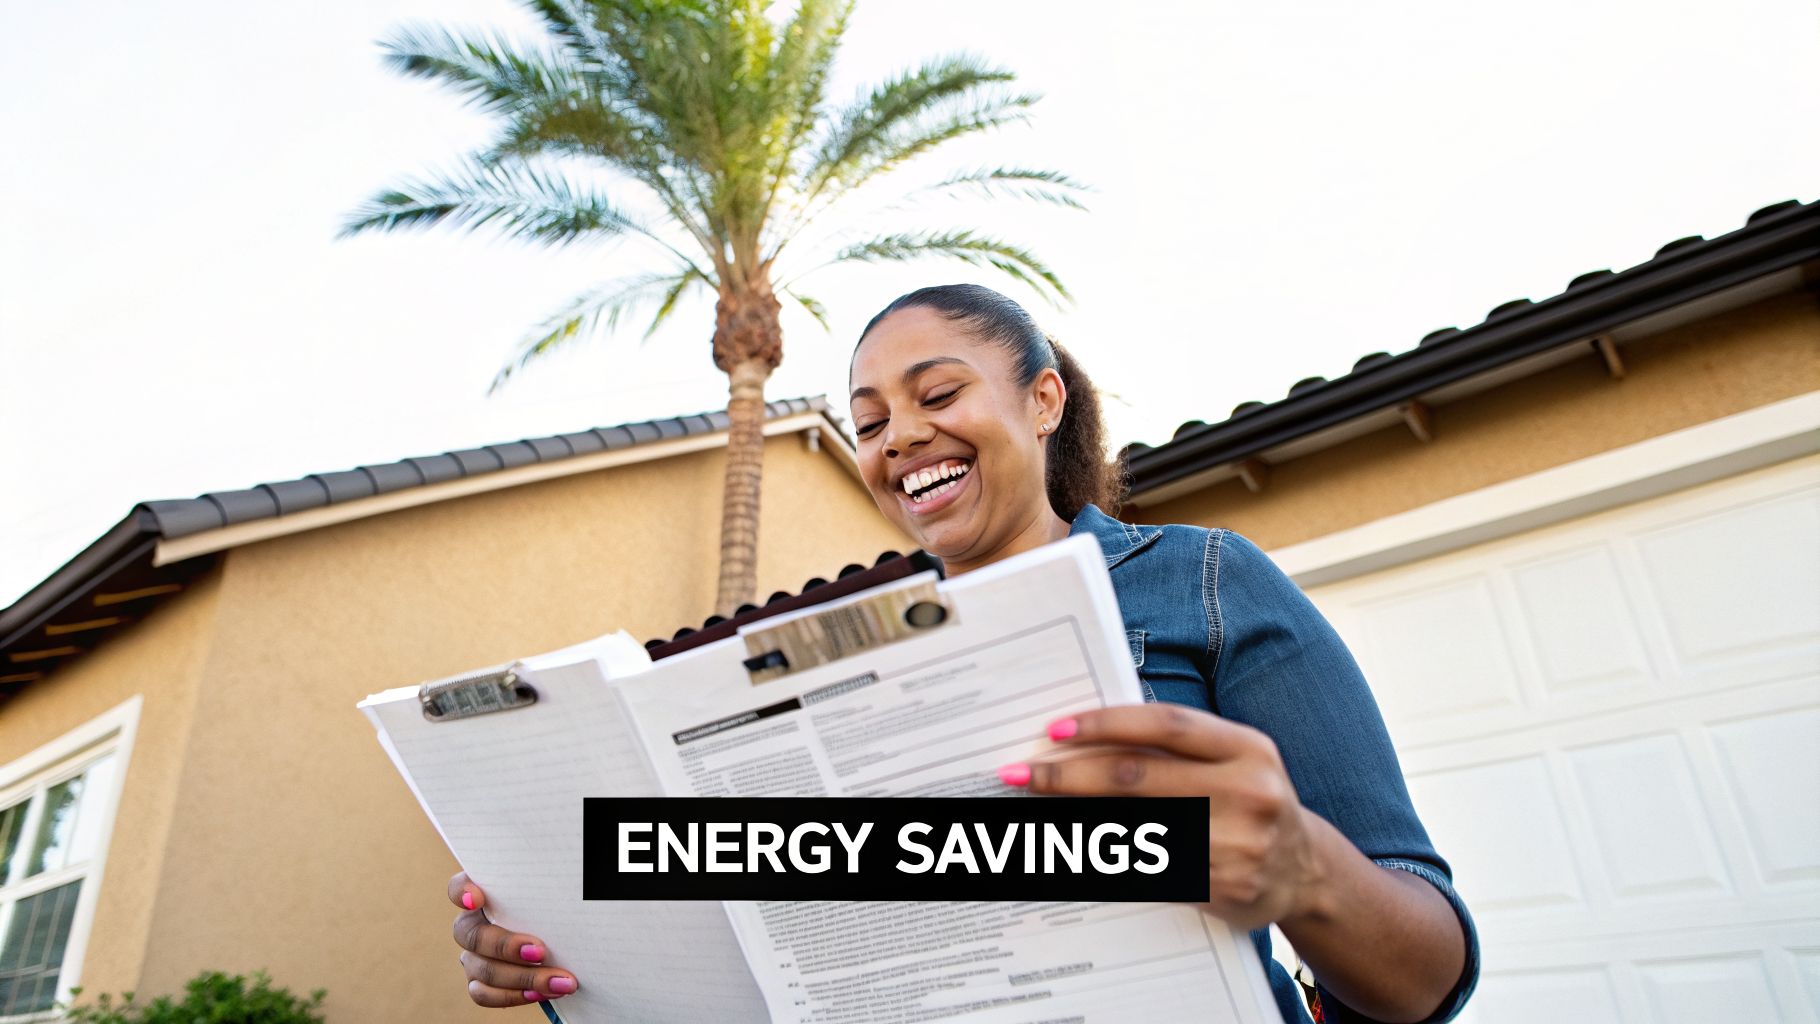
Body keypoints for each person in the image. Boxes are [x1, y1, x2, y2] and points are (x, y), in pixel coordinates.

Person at [447, 284, 1481, 1023]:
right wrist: (571, 946)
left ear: (1042, 401)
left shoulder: (1199, 582)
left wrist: (1306, 873)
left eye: (937, 396)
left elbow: (1427, 974)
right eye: (868, 423)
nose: (898, 437)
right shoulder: (820, 668)